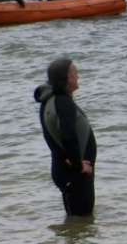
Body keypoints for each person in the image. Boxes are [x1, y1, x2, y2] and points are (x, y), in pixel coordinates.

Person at [33, 58, 97, 216]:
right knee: (82, 222)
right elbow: (67, 136)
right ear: (68, 77)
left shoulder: (48, 101)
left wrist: (65, 159)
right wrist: (78, 165)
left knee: (75, 224)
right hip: (76, 174)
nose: (78, 75)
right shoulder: (63, 103)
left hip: (65, 170)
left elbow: (50, 137)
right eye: (75, 72)